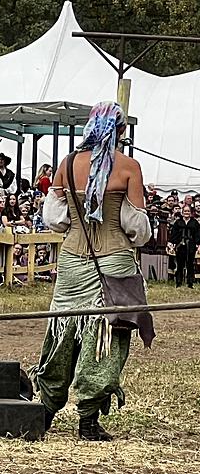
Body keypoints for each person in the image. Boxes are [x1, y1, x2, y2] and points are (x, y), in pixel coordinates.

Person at [30, 101, 152, 441]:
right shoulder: (129, 167)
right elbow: (137, 227)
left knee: (62, 331)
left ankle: (47, 409)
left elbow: (55, 219)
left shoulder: (67, 164)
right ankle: (88, 420)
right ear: (121, 131)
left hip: (71, 260)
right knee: (107, 337)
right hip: (114, 262)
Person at [168, 205, 200, 288]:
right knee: (180, 264)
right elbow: (173, 234)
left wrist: (199, 244)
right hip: (180, 245)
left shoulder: (194, 222)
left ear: (190, 212)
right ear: (182, 212)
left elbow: (198, 234)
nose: (186, 213)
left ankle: (190, 283)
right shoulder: (178, 222)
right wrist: (171, 244)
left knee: (190, 264)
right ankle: (178, 282)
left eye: (188, 211)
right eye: (185, 211)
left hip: (191, 245)